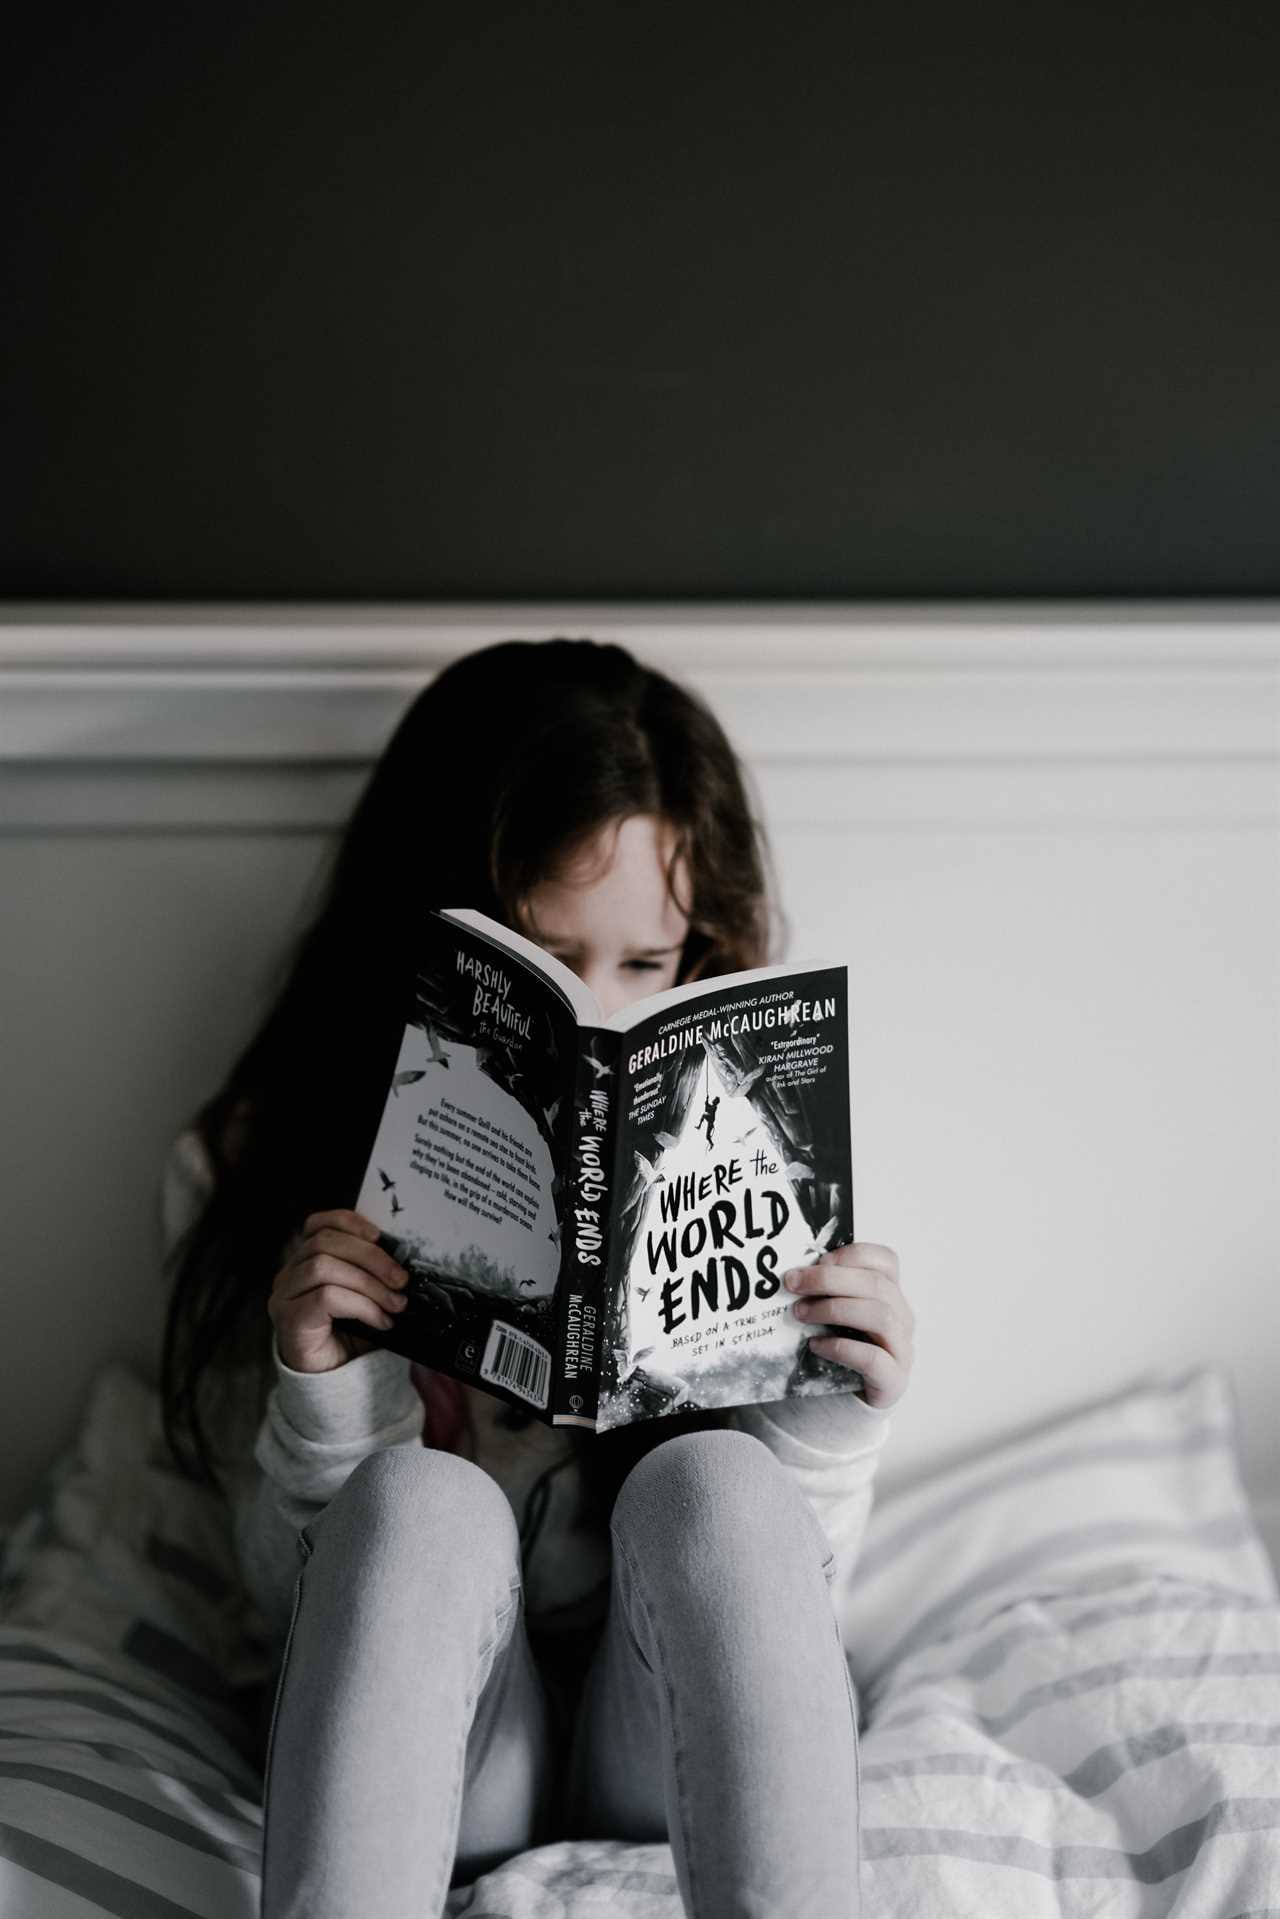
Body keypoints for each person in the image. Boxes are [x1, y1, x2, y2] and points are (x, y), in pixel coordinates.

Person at [157, 637, 916, 1919]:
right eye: (543, 958)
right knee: (417, 1505)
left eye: (643, 964)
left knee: (719, 1483)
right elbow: (288, 1614)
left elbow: (765, 1611)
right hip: (441, 1754)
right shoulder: (248, 1169)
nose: (600, 1016)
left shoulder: (765, 1147)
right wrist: (326, 1400)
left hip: (650, 1728)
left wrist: (828, 1424)